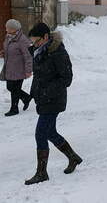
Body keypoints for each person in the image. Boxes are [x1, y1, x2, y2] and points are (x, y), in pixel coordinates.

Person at [25, 23, 82, 185]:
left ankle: (41, 173)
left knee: (41, 133)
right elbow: (39, 72)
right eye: (32, 42)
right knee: (50, 132)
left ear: (45, 37)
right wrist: (34, 92)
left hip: (53, 99)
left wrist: (46, 91)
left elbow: (66, 79)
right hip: (43, 98)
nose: (34, 44)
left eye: (36, 41)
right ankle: (73, 157)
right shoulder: (39, 51)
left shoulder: (58, 53)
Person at [0, 19, 33, 117]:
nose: (6, 29)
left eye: (7, 28)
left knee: (15, 89)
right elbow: (9, 49)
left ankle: (14, 109)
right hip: (10, 68)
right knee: (10, 87)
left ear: (13, 29)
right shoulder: (9, 37)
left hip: (19, 69)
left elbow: (28, 56)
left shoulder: (22, 40)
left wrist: (28, 71)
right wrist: (3, 52)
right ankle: (26, 98)